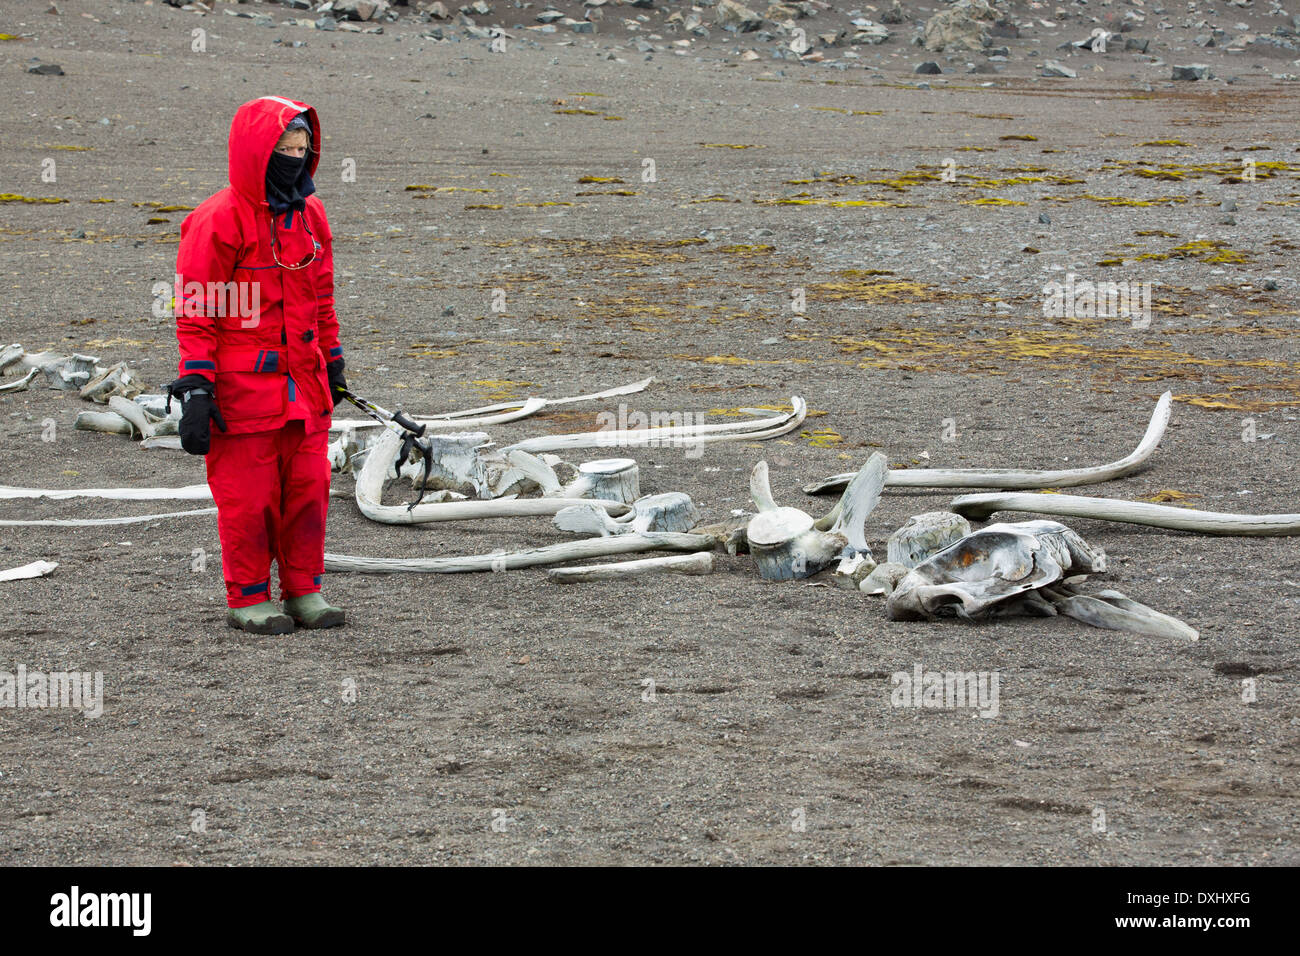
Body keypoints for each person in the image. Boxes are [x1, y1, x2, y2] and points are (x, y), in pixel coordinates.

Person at [167, 96, 348, 634]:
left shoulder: (309, 213)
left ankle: (304, 592)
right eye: (284, 149)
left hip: (305, 383)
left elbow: (322, 297)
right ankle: (247, 597)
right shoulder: (217, 219)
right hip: (243, 390)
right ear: (256, 152)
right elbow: (197, 310)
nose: (295, 157)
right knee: (249, 501)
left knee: (307, 492)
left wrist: (333, 361)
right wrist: (198, 386)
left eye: (302, 148)